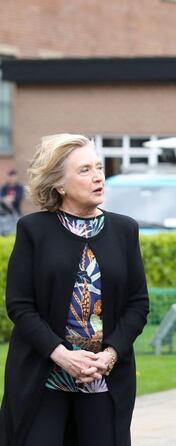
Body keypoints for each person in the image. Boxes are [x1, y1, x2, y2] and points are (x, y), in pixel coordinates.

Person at [0, 134, 149, 446]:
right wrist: (61, 355)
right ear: (60, 184)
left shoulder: (125, 230)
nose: (98, 177)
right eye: (84, 170)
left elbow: (137, 305)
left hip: (103, 379)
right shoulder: (33, 230)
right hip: (42, 379)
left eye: (98, 168)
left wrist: (110, 354)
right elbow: (19, 304)